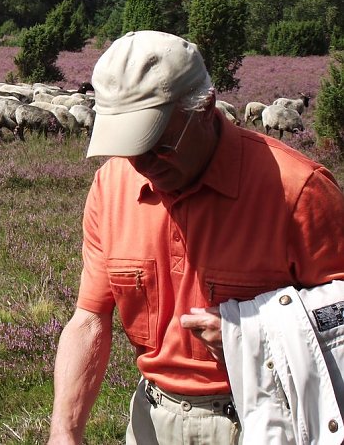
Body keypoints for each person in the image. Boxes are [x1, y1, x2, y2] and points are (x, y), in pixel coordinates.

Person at [47, 30, 344, 444]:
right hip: (151, 419)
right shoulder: (111, 186)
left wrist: (254, 332)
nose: (142, 163)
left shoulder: (298, 190)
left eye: (157, 143)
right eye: (128, 146)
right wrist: (64, 430)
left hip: (267, 418)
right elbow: (90, 317)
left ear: (204, 108)